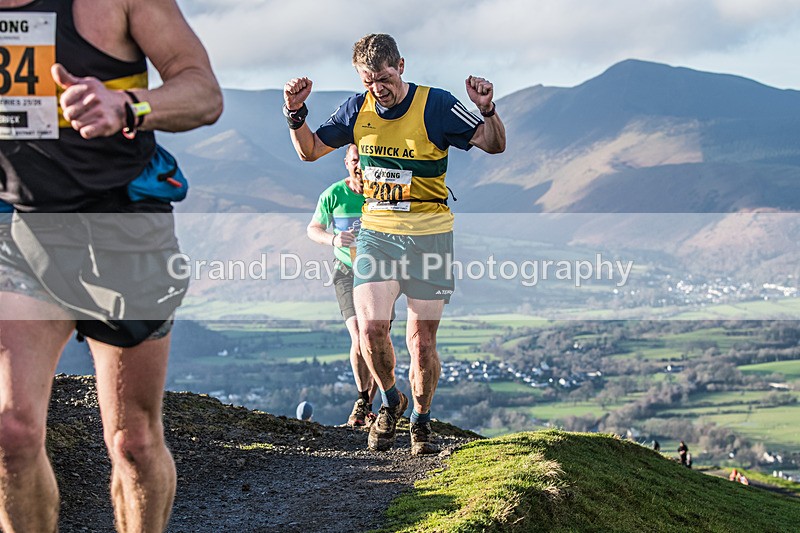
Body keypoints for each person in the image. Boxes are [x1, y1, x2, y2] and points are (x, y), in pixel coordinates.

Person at [0, 1, 222, 531]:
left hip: (122, 225)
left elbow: (204, 93)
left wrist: (127, 106)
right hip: (18, 226)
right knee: (12, 431)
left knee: (134, 441)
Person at [284, 33, 505, 455]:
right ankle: (390, 401)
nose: (377, 88)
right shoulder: (357, 107)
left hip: (429, 236)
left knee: (421, 344)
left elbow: (494, 144)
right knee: (370, 331)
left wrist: (486, 109)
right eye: (369, 80)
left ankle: (421, 420)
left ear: (401, 66)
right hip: (378, 234)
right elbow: (310, 151)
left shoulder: (436, 104)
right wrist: (295, 115)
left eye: (384, 77)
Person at [306, 144, 379, 427]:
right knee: (360, 334)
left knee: (376, 338)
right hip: (346, 271)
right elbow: (313, 229)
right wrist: (334, 239)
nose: (359, 165)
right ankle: (363, 399)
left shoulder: (381, 193)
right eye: (355, 160)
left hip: (379, 273)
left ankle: (373, 405)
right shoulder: (333, 194)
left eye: (364, 160)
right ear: (346, 162)